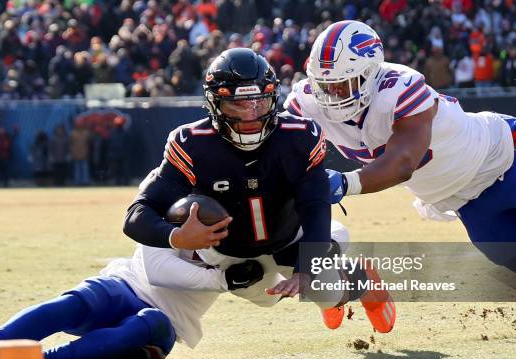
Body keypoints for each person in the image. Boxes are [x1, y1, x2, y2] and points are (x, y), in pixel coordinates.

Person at [123, 48, 395, 333]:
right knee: (265, 299)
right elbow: (136, 214)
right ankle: (332, 251)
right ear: (215, 103)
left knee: (323, 292)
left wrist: (306, 270)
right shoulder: (191, 144)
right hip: (233, 253)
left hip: (291, 237)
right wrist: (176, 236)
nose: (250, 114)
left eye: (259, 102)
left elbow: (314, 204)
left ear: (273, 98)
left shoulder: (299, 136)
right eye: (236, 105)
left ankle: (357, 277)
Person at [285, 20, 516, 291]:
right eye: (325, 85)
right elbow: (278, 144)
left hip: (503, 162)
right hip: (465, 202)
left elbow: (403, 162)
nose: (332, 94)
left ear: (371, 73)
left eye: (344, 83)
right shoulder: (306, 102)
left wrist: (344, 182)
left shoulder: (398, 87)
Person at [0, 205, 352, 359]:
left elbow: (332, 234)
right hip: (128, 282)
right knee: (77, 302)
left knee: (147, 322)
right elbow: (158, 269)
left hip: (166, 324)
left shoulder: (251, 239)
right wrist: (221, 280)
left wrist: (311, 256)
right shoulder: (172, 220)